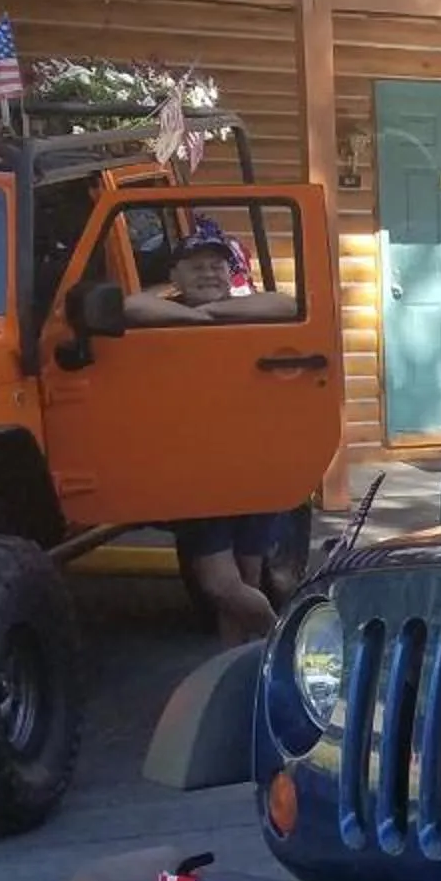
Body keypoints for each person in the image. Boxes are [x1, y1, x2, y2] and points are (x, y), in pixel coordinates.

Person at [122, 220, 292, 645]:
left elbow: (286, 305)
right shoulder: (162, 311)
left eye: (217, 265)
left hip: (254, 465)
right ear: (174, 275)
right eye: (195, 265)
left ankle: (233, 664)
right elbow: (129, 307)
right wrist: (194, 315)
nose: (208, 273)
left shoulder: (245, 309)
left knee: (246, 576)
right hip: (196, 471)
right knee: (220, 585)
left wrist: (209, 314)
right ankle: (285, 639)